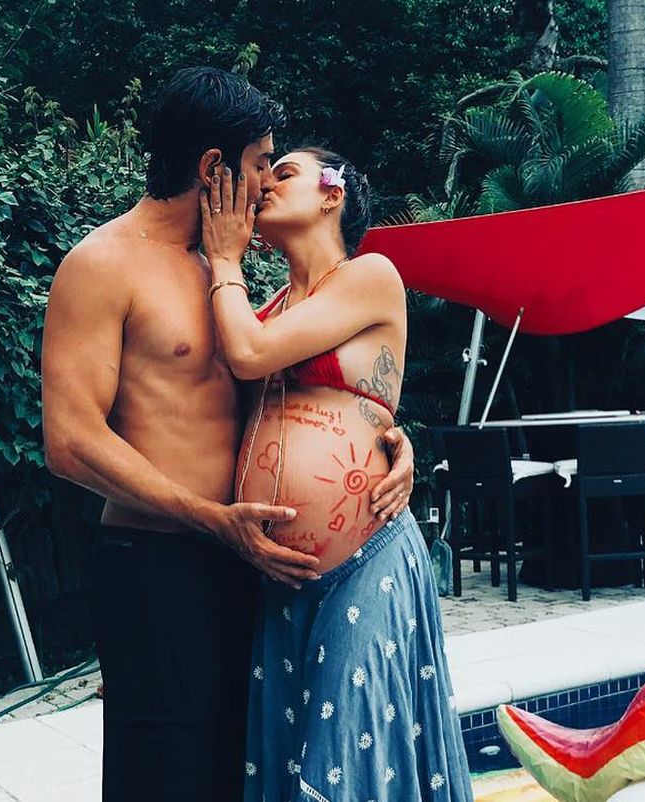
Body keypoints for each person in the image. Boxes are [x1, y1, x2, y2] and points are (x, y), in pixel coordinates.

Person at [40, 68, 415, 802]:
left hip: (252, 564)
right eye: (261, 164)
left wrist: (396, 444)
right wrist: (213, 520)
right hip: (160, 564)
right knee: (166, 778)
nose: (268, 183)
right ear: (214, 167)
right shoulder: (102, 265)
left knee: (246, 773)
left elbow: (308, 395)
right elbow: (71, 440)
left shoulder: (233, 280)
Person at [201, 147, 473, 800]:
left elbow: (249, 355)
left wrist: (223, 261)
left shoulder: (369, 274)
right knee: (297, 763)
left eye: (284, 172)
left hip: (365, 559)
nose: (265, 184)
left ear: (333, 194)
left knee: (344, 761)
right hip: (281, 578)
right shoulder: (268, 306)